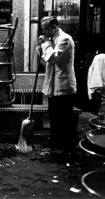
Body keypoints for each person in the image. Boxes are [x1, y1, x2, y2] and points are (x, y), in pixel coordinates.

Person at [36, 16, 77, 158]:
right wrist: (40, 47)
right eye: (42, 28)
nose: (44, 31)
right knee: (54, 115)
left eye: (46, 28)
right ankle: (55, 141)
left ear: (54, 27)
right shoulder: (51, 39)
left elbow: (53, 57)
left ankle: (69, 146)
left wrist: (46, 44)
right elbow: (45, 61)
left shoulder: (65, 39)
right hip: (53, 84)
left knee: (65, 116)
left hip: (64, 84)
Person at [87, 45, 105, 114]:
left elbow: (94, 71)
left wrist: (96, 83)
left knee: (98, 98)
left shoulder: (97, 57)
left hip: (97, 84)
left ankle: (96, 111)